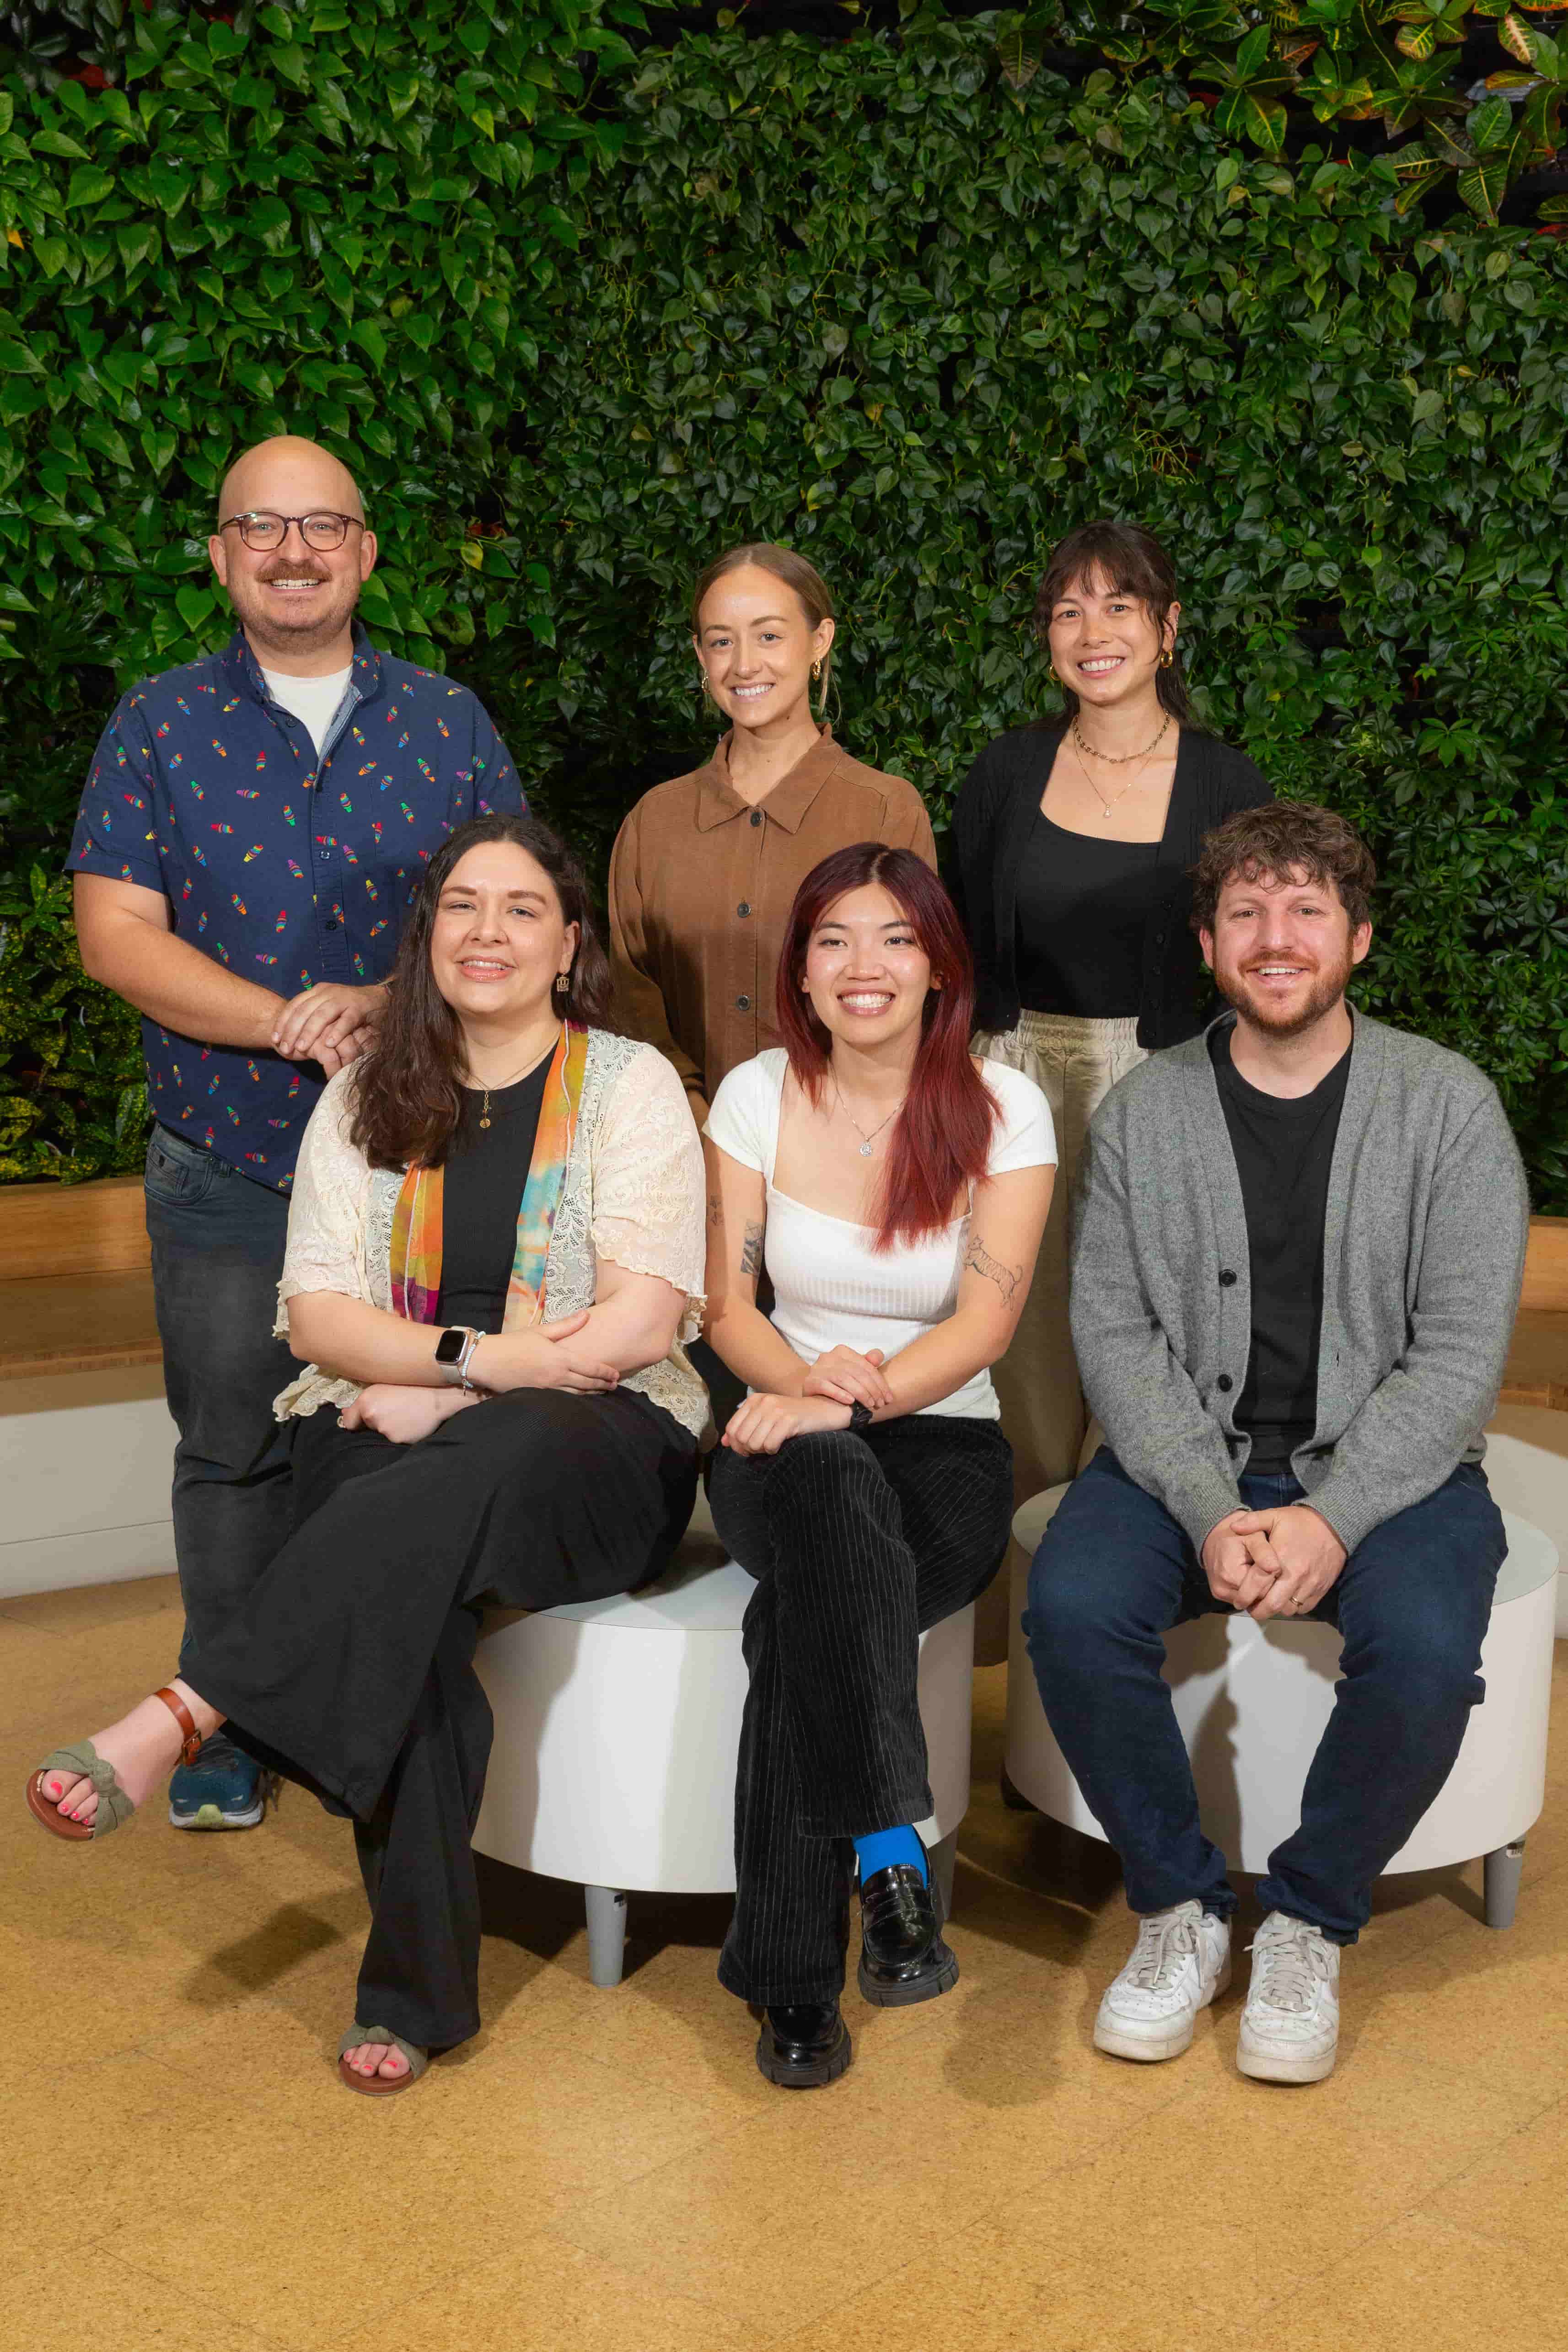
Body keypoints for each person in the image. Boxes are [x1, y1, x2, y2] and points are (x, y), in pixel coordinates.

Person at [29, 816, 708, 2094]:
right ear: (427, 934)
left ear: (569, 944)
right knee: (416, 1623)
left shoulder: (629, 1083)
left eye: (520, 909)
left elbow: (636, 1318)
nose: (487, 931)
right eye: (462, 905)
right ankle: (413, 1994)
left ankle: (187, 1705)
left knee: (431, 1489)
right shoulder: (364, 1092)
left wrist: (453, 1397)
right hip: (382, 1403)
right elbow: (322, 1316)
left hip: (594, 1440)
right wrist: (473, 1365)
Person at [1025, 801, 1528, 2085]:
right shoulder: (1147, 1112)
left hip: (1388, 1470)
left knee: (1421, 1647)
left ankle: (1307, 1918)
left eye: (1307, 908)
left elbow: (1460, 1354)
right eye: (1245, 910)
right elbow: (1116, 1330)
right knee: (1074, 1604)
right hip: (1180, 1456)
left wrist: (1332, 1515)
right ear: (1207, 944)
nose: (1276, 935)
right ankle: (1179, 1904)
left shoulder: (1447, 1108)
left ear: (1356, 937)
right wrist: (1207, 1504)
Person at [67, 435, 524, 1833]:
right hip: (227, 1157)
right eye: (259, 525)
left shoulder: (447, 722)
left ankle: (375, 1695)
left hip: (417, 1160)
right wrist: (282, 1021)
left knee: (405, 1436)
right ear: (219, 555)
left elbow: (514, 908)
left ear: (366, 552)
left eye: (322, 524)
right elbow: (113, 934)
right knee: (230, 1448)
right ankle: (231, 1713)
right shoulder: (155, 723)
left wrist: (388, 1004)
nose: (291, 549)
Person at [702, 844, 1054, 2087]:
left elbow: (984, 1324)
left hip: (944, 1443)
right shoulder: (753, 1094)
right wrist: (799, 1392)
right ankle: (886, 1859)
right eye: (835, 939)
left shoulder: (1004, 1107)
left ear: (937, 964)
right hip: (774, 1432)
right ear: (799, 971)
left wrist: (855, 1397)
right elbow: (724, 1301)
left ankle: (792, 1981)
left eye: (896, 937)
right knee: (825, 1487)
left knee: (794, 1623)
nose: (866, 965)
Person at [950, 520, 1272, 1501]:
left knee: (1160, 1324)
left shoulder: (1226, 782)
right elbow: (956, 941)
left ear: (1167, 629)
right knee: (1021, 1327)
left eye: (1119, 607)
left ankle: (1132, 1551)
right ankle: (1015, 1572)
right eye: (1067, 611)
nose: (1093, 631)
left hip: (1167, 1074)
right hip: (1012, 1074)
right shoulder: (1006, 772)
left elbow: (1257, 958)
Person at [608, 541, 936, 1120]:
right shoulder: (652, 822)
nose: (743, 665)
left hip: (846, 1140)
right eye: (720, 641)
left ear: (820, 639)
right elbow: (626, 996)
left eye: (768, 635)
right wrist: (692, 1115)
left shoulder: (886, 811)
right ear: (699, 655)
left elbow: (910, 989)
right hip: (682, 1143)